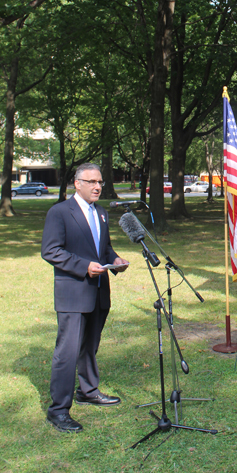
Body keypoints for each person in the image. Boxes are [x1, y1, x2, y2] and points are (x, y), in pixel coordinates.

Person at [42, 163, 129, 433]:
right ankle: (58, 410)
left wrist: (114, 259)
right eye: (91, 181)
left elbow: (103, 247)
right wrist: (84, 266)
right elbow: (51, 251)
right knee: (67, 353)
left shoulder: (101, 213)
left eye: (100, 181)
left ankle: (88, 391)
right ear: (76, 184)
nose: (97, 186)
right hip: (73, 293)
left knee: (90, 346)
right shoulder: (59, 212)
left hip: (99, 292)